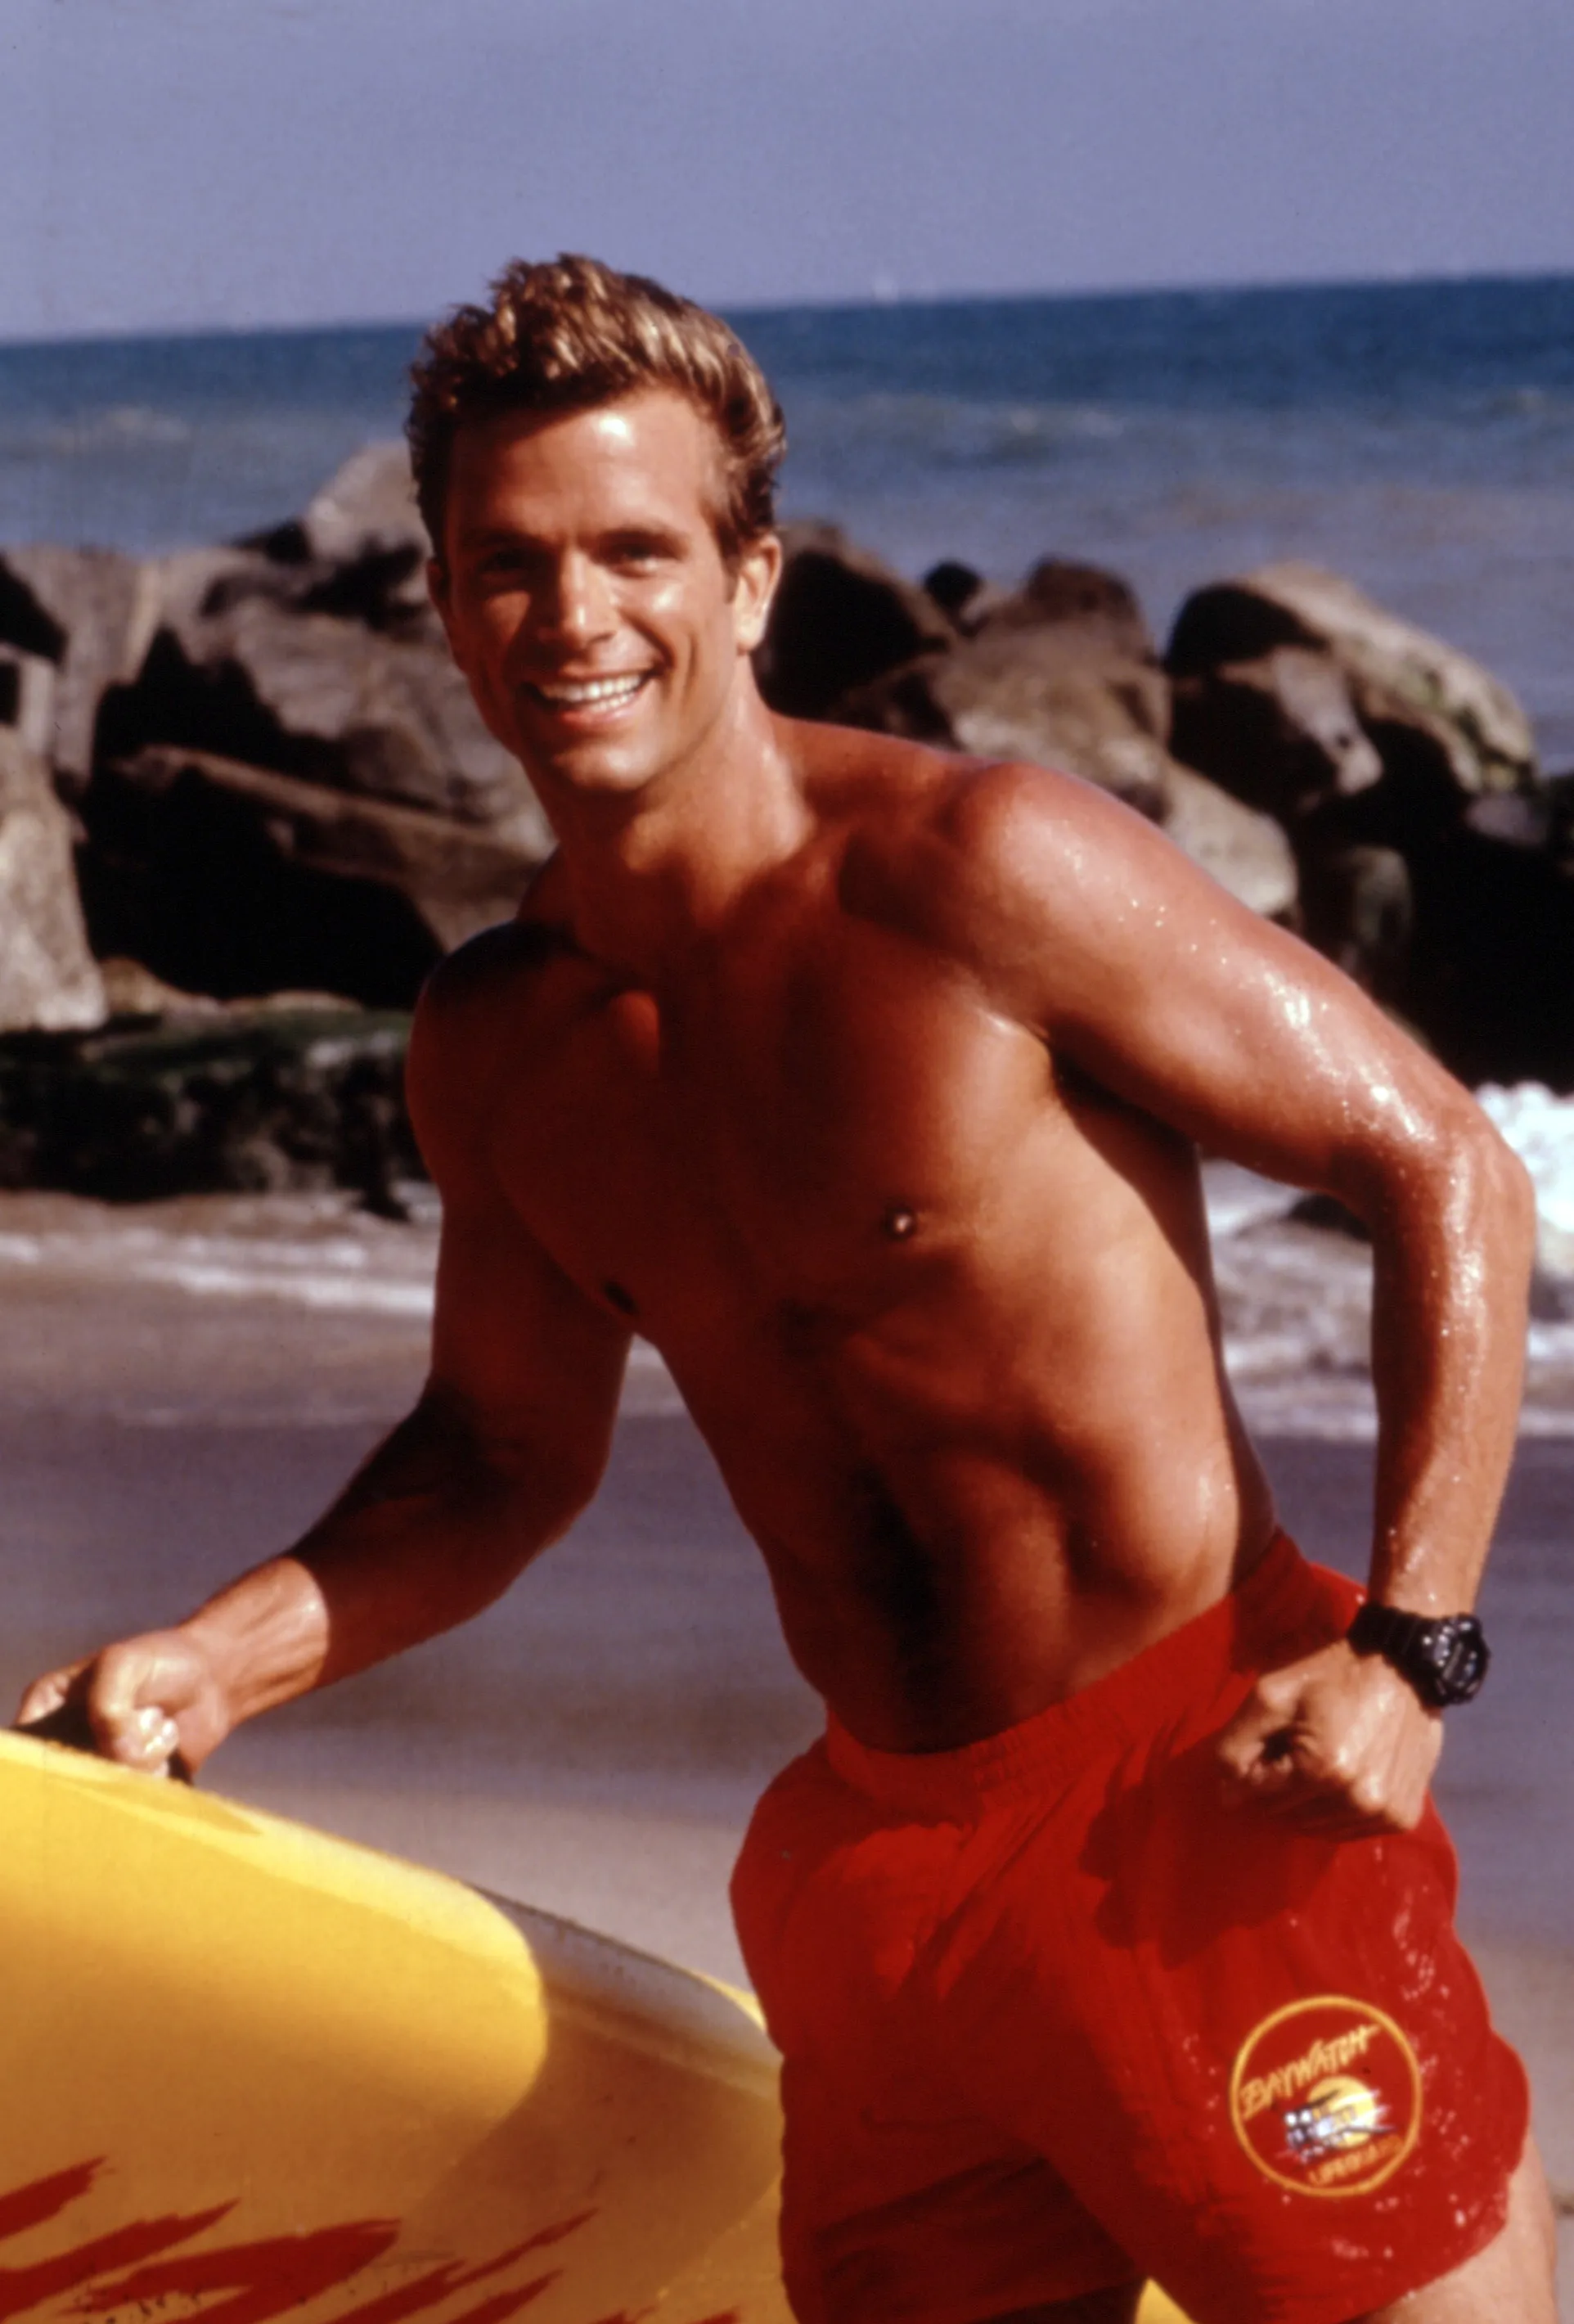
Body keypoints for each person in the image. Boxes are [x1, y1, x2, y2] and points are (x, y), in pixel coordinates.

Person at [20, 257, 1555, 2324]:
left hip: (1194, 1806)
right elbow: (495, 1451)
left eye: (634, 551)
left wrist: (1409, 1650)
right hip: (875, 1886)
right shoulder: (502, 1043)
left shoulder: (982, 872)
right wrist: (221, 1657)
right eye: (511, 564)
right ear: (446, 606)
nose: (575, 616)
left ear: (746, 583)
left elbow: (1433, 1154)